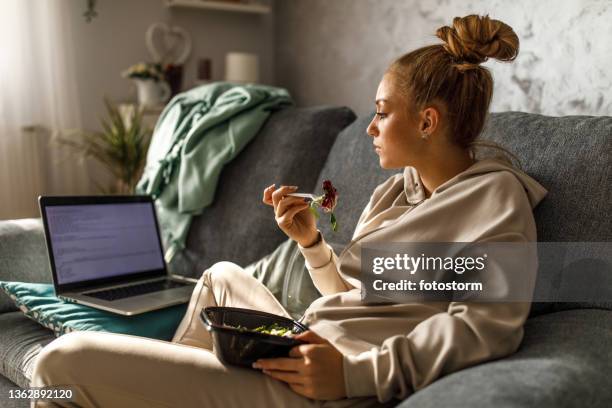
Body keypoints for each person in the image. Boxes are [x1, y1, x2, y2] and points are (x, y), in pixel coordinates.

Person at [31, 14, 547, 408]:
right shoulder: (396, 194)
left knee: (59, 362)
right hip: (306, 341)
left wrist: (354, 375)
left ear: (428, 121)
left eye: (383, 113)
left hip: (326, 383)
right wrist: (312, 245)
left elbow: (486, 326)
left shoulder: (493, 198)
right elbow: (357, 297)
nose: (371, 127)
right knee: (221, 276)